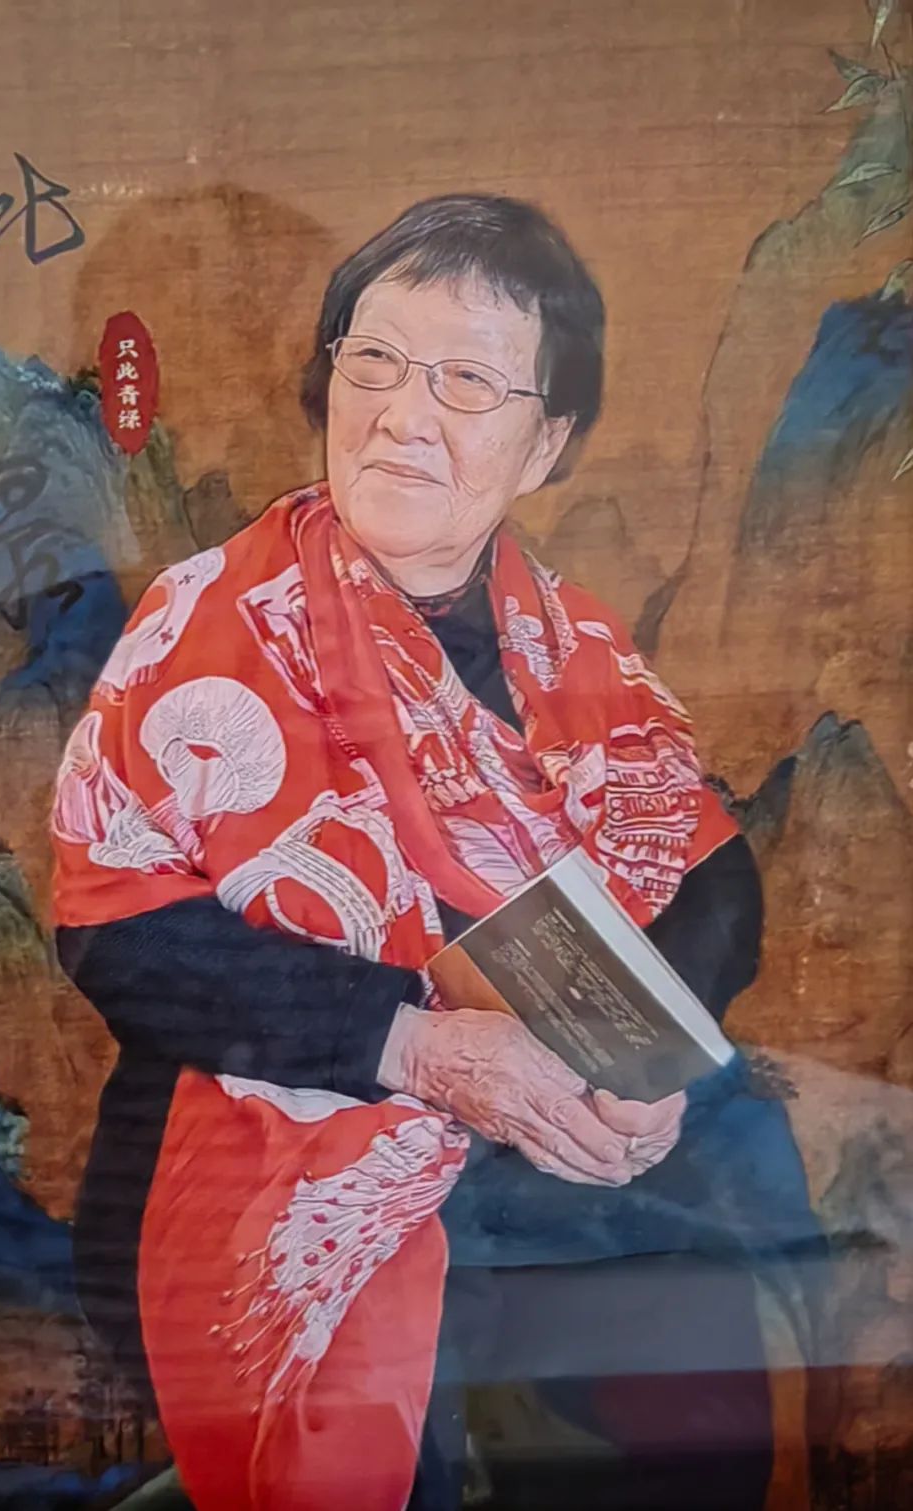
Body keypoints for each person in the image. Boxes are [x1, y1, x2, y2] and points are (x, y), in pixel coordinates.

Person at [51, 194, 823, 1511]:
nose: (404, 415)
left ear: (547, 441)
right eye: (375, 362)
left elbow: (710, 874)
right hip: (294, 1130)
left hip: (565, 1137)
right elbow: (114, 932)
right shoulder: (211, 622)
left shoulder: (571, 642)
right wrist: (428, 1051)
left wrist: (642, 1061)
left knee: (688, 1387)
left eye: (466, 381)